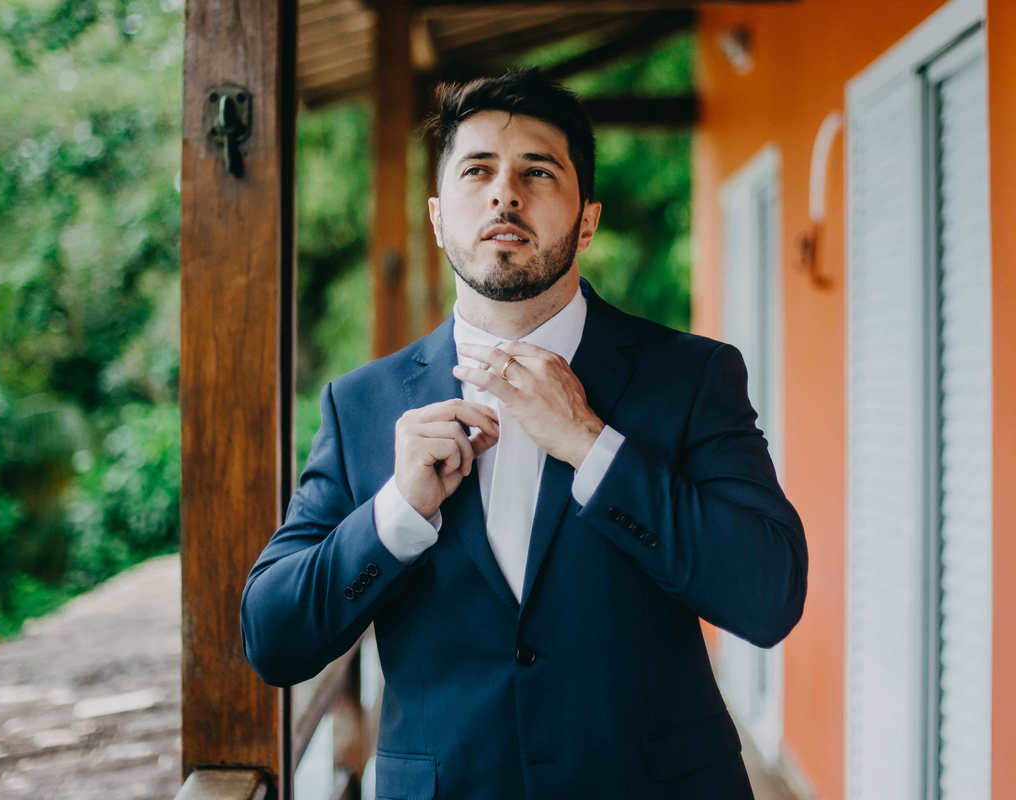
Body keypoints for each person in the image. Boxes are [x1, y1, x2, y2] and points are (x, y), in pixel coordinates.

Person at [240, 68, 807, 799]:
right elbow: (274, 638)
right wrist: (396, 513)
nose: (505, 192)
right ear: (439, 218)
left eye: (538, 172)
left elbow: (768, 596)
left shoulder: (692, 378)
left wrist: (593, 446)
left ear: (588, 220)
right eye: (478, 171)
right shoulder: (361, 406)